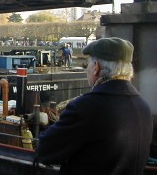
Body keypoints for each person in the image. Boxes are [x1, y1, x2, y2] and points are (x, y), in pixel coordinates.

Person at [37, 37, 153, 175]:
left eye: (88, 65)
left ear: (96, 67)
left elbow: (44, 151)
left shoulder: (86, 107)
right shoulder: (143, 106)